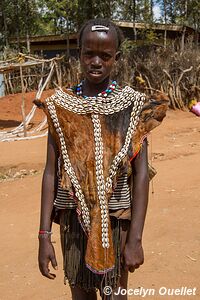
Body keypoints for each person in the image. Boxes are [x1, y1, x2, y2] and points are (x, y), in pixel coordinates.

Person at [37, 18, 168, 300]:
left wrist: (135, 238)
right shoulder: (61, 106)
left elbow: (141, 174)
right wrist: (44, 235)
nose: (96, 62)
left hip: (116, 221)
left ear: (116, 58)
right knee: (80, 294)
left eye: (105, 56)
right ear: (79, 53)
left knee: (114, 295)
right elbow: (50, 172)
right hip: (73, 220)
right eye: (89, 54)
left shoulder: (133, 106)